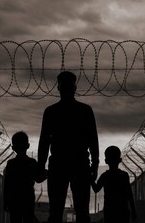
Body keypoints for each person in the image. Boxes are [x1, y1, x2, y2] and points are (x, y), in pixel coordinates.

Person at [37, 71, 99, 223]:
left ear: (58, 88)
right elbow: (93, 140)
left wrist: (40, 165)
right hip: (78, 163)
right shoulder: (84, 110)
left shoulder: (52, 111)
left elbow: (44, 141)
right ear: (75, 87)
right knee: (80, 212)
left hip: (61, 163)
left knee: (57, 212)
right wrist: (95, 163)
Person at [3, 131, 46, 223]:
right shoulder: (32, 162)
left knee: (15, 219)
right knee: (28, 219)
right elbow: (38, 179)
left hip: (14, 198)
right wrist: (48, 173)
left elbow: (7, 185)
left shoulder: (10, 164)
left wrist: (5, 202)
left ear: (13, 148)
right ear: (28, 145)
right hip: (28, 198)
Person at [92, 146, 137, 223]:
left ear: (106, 161)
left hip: (109, 211)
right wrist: (133, 210)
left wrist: (90, 178)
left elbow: (96, 189)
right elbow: (129, 194)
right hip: (122, 211)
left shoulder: (105, 176)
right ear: (120, 160)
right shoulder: (124, 175)